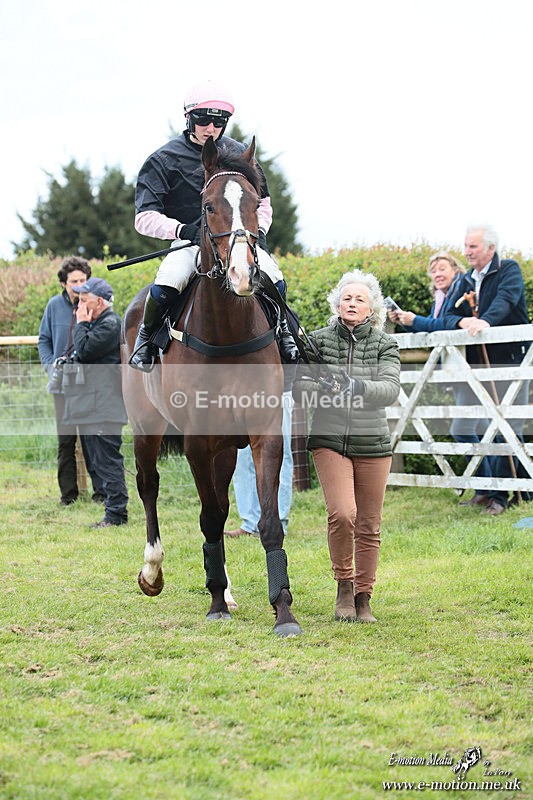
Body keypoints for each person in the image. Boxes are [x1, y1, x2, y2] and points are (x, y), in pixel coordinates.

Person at [131, 79, 298, 371]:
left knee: (276, 280)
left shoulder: (241, 154)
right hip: (189, 242)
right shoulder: (162, 160)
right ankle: (145, 342)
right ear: (188, 119)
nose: (211, 128)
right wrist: (183, 231)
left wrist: (255, 234)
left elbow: (263, 205)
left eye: (219, 122)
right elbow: (144, 218)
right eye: (203, 120)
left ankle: (286, 337)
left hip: (239, 241)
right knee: (167, 284)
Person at [293, 270, 401, 623]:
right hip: (329, 441)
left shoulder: (385, 344)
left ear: (371, 310)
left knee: (369, 524)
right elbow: (298, 387)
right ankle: (344, 585)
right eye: (346, 297)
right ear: (337, 304)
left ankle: (363, 596)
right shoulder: (319, 341)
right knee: (343, 514)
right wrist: (324, 390)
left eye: (360, 299)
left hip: (374, 444)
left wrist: (357, 387)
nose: (351, 303)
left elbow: (390, 389)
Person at [445, 224, 531, 516]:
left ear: (490, 249)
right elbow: (451, 312)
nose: (467, 252)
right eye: (466, 246)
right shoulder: (467, 279)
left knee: (507, 428)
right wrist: (462, 322)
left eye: (473, 247)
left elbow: (506, 301)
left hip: (511, 360)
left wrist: (486, 322)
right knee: (485, 428)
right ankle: (497, 489)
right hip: (480, 364)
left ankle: (505, 495)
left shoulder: (508, 269)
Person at [61, 277, 129, 528]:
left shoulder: (109, 324)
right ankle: (112, 512)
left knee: (107, 461)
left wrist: (80, 324)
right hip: (93, 405)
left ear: (99, 302)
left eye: (84, 299)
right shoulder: (99, 323)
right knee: (98, 461)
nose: (79, 304)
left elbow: (86, 351)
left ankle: (116, 515)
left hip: (104, 406)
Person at [38, 256, 104, 506]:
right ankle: (69, 496)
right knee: (66, 441)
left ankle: (101, 493)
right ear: (64, 283)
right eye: (73, 281)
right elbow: (44, 340)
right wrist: (49, 365)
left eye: (83, 280)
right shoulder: (54, 306)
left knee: (91, 439)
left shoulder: (96, 304)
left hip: (87, 383)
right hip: (61, 383)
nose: (78, 285)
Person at [224, 389, 294, 538]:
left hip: (278, 390)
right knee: (243, 457)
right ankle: (250, 523)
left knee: (279, 453)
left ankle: (279, 520)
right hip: (242, 391)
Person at [386, 251, 466, 332]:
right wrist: (404, 321)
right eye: (433, 272)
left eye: (442, 269)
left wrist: (415, 320)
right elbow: (429, 325)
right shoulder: (440, 297)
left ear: (455, 270)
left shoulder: (460, 290)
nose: (437, 274)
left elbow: (448, 323)